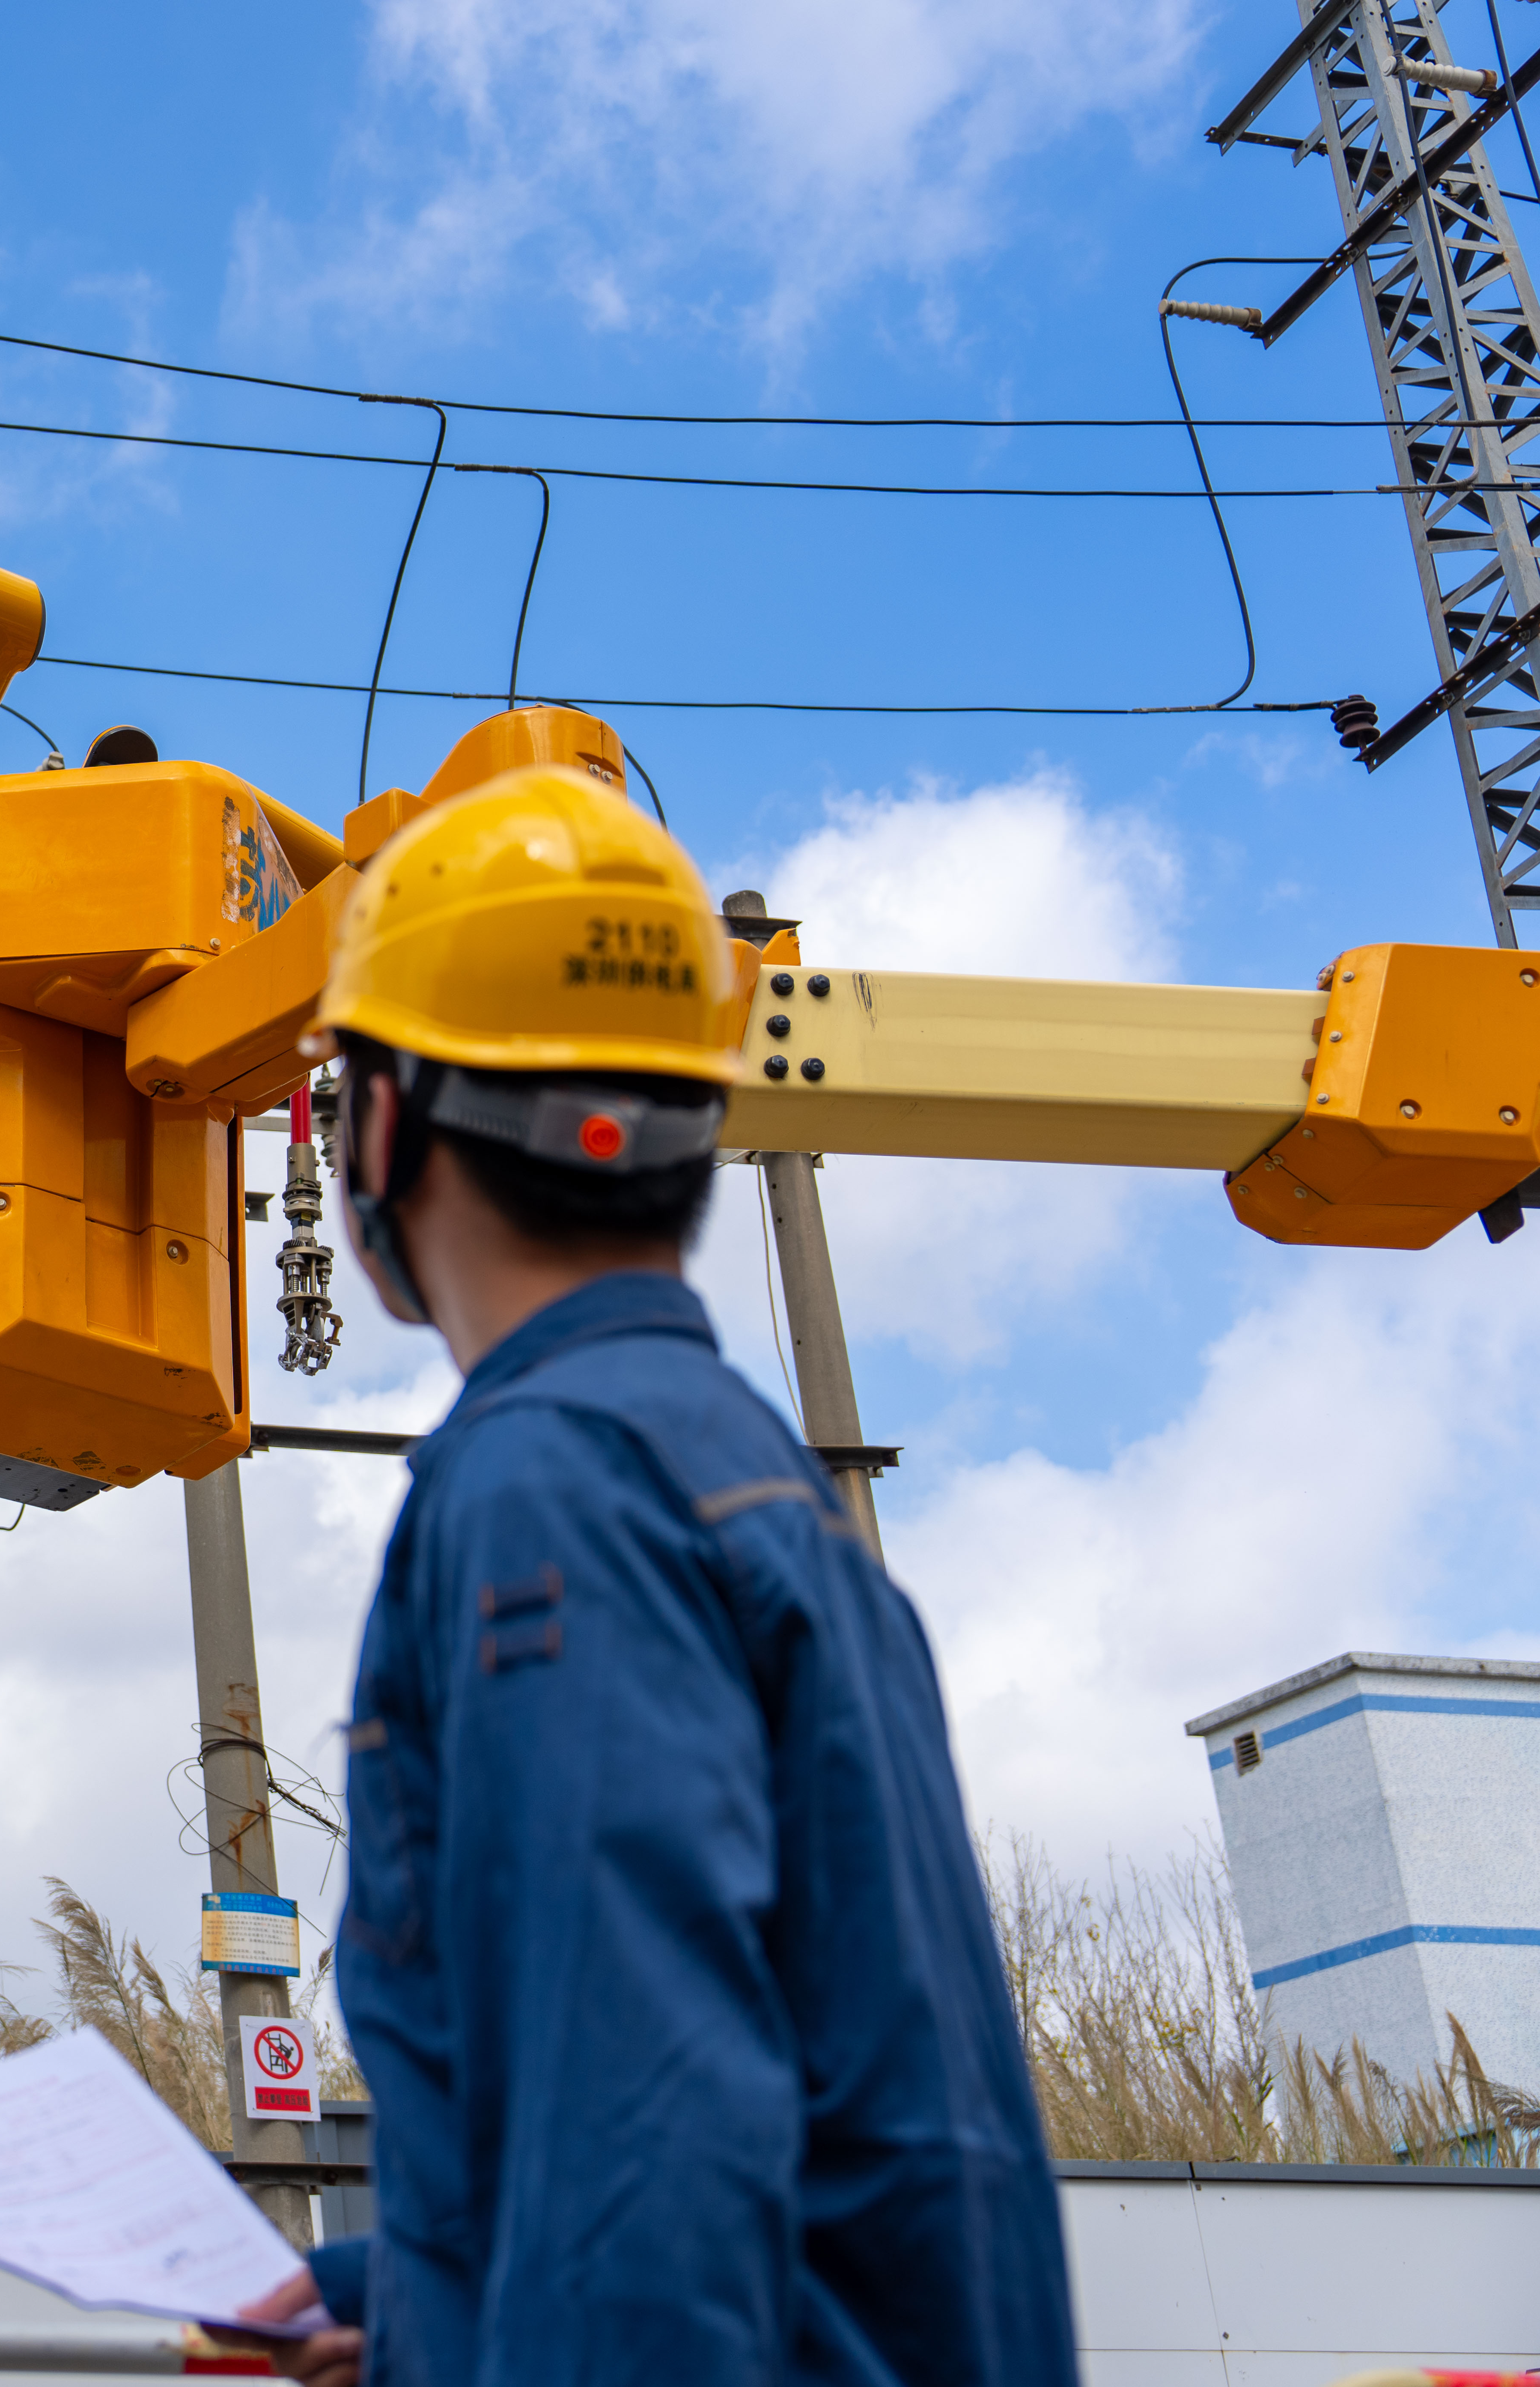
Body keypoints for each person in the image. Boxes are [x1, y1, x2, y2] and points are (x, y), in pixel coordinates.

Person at [229, 768, 1078, 2387]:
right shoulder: (746, 1482)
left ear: (384, 1127)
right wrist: (427, 2310)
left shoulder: (550, 1494)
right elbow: (815, 2130)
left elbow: (643, 2149)